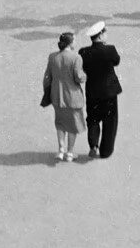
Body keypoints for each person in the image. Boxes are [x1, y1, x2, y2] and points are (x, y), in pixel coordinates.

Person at [42, 31, 86, 162]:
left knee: (60, 123)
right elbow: (79, 78)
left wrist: (48, 92)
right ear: (70, 43)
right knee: (73, 125)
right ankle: (70, 153)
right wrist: (85, 76)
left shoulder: (52, 57)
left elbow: (47, 78)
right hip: (72, 97)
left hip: (57, 96)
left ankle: (61, 150)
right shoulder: (76, 57)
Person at [80, 22, 121, 160]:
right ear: (101, 34)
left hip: (92, 91)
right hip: (109, 92)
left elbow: (82, 67)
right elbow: (116, 61)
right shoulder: (110, 50)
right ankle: (106, 151)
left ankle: (93, 145)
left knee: (93, 119)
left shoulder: (83, 52)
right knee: (110, 121)